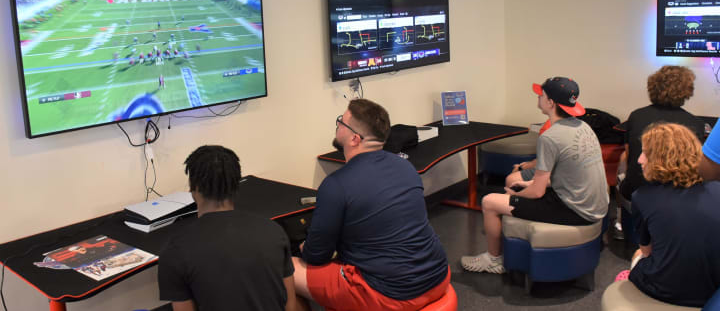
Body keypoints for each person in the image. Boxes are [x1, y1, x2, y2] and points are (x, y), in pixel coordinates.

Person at [292, 99, 449, 311]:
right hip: (438, 276)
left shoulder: (336, 185)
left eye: (341, 123)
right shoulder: (406, 167)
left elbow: (316, 256)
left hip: (390, 294)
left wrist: (304, 246)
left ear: (354, 139)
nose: (338, 125)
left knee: (287, 267)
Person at [462, 77, 608, 273]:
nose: (538, 97)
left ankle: (493, 259)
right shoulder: (583, 127)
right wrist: (527, 185)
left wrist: (514, 196)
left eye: (542, 95)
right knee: (515, 188)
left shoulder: (550, 137)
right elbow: (566, 176)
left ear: (551, 103)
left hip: (576, 210)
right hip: (596, 204)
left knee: (489, 202)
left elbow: (537, 193)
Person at [158, 145, 297, 311]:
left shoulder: (175, 250)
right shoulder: (274, 231)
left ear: (193, 189)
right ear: (236, 185)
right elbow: (290, 305)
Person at [628, 123, 720, 307]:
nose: (639, 160)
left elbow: (647, 251)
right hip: (712, 292)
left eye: (646, 153)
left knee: (638, 254)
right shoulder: (717, 190)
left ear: (661, 159)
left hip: (666, 291)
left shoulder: (642, 196)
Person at [619, 65, 705, 202]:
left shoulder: (636, 116)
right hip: (677, 199)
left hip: (636, 193)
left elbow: (629, 156)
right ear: (687, 91)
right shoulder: (696, 124)